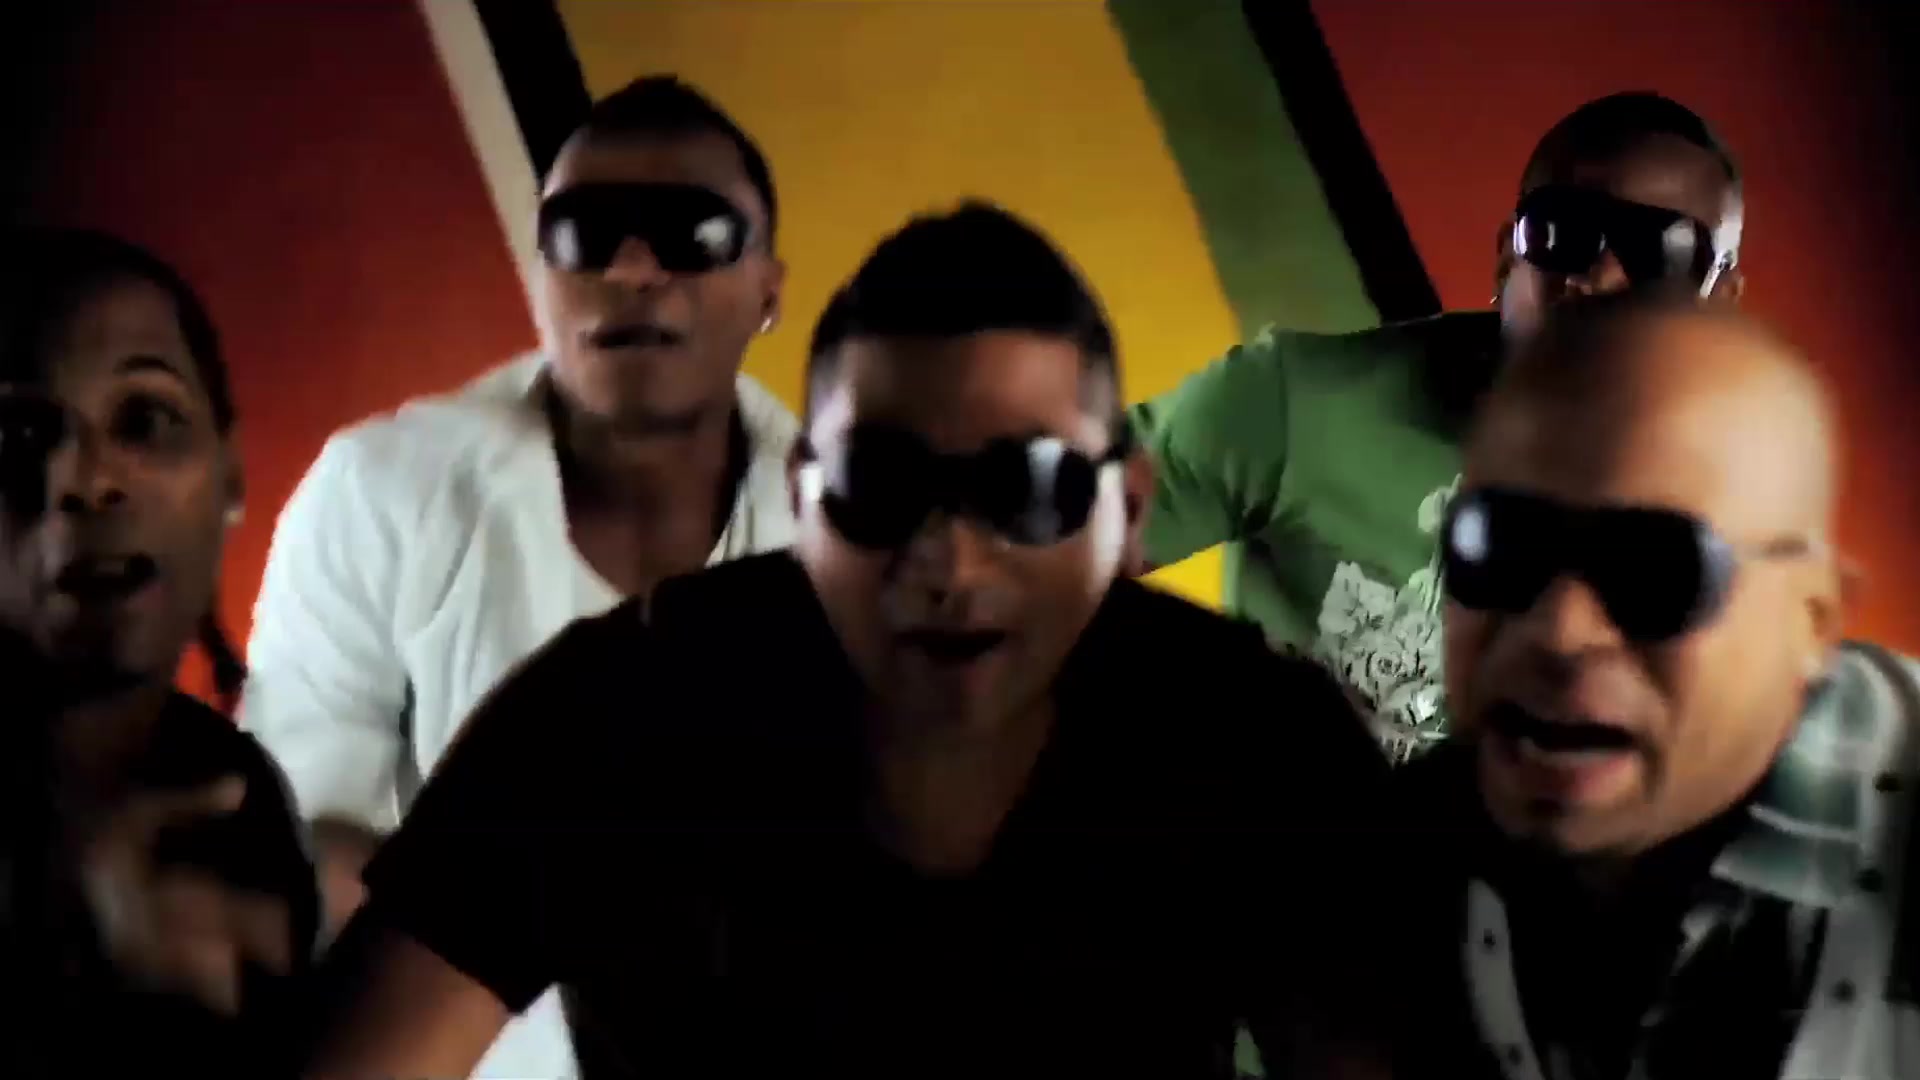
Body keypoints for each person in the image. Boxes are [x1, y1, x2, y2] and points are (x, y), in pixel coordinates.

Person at [295, 203, 1393, 1080]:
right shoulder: (607, 719)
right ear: (799, 499)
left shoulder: (1256, 741)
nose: (951, 561)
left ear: (1132, 510)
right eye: (880, 483)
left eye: (1028, 487)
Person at [240, 75, 795, 1076]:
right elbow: (300, 839)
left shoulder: (846, 531)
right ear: (541, 274)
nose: (632, 269)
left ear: (769, 291)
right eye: (585, 234)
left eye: (693, 233)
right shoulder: (378, 491)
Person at [1387, 293, 1917, 1078]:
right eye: (1498, 543)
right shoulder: (1393, 861)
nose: (1559, 631)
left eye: (1655, 570)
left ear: (1811, 622)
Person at [1131, 92, 1746, 761]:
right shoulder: (1293, 402)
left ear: (1719, 301)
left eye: (1663, 251)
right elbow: (1052, 546)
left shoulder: (1736, 527)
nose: (1598, 276)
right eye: (1563, 229)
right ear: (1508, 257)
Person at [0, 227, 317, 1076]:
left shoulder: (235, 789)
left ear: (231, 473)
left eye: (145, 419)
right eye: (18, 435)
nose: (86, 479)